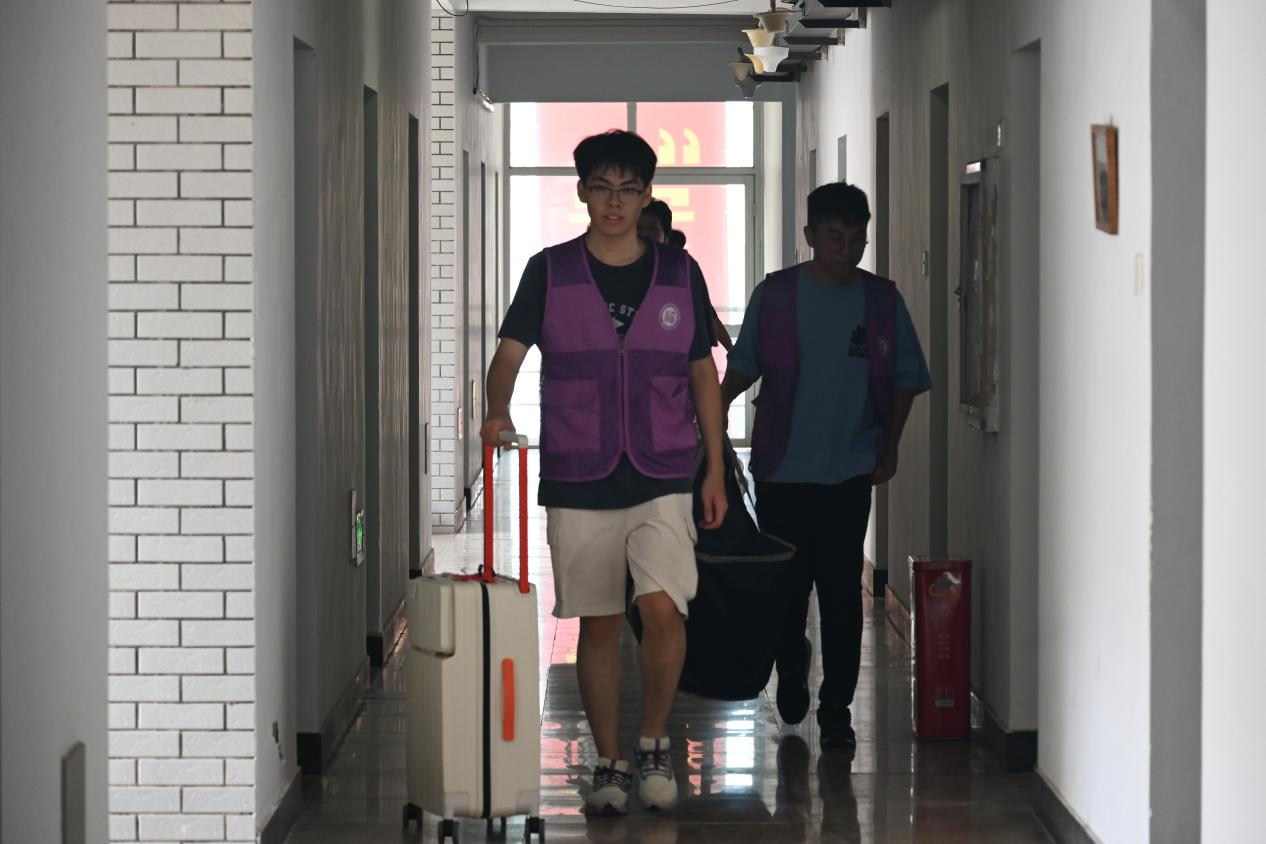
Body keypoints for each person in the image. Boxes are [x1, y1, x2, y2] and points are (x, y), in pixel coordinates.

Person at [481, 130, 728, 814]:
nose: (615, 202)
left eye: (628, 189)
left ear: (647, 196)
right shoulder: (550, 271)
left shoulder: (680, 273)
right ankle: (610, 761)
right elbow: (508, 356)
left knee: (664, 607)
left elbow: (702, 371)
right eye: (602, 188)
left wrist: (714, 466)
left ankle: (653, 743)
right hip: (580, 469)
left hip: (664, 467)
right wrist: (496, 410)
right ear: (582, 192)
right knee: (597, 621)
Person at [720, 182, 931, 749]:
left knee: (841, 594)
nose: (847, 249)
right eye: (835, 238)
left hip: (849, 473)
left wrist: (891, 446)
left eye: (857, 238)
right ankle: (791, 666)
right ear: (810, 236)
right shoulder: (777, 295)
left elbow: (906, 379)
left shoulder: (881, 301)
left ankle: (837, 706)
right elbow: (744, 365)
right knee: (787, 592)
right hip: (782, 471)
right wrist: (712, 410)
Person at [638, 201, 734, 352]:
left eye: (652, 228)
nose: (644, 234)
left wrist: (732, 351)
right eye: (638, 227)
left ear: (666, 236)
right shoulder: (614, 272)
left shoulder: (683, 275)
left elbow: (710, 320)